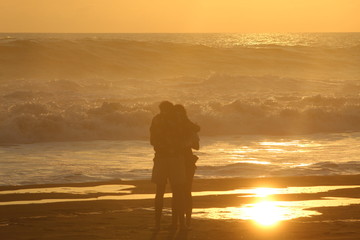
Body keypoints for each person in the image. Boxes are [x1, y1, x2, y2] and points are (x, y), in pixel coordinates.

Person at [173, 104, 200, 228]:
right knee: (178, 192)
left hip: (186, 161)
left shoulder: (187, 127)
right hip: (180, 160)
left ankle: (186, 221)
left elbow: (196, 146)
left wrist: (187, 139)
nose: (178, 116)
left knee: (185, 191)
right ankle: (179, 222)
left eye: (179, 113)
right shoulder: (172, 127)